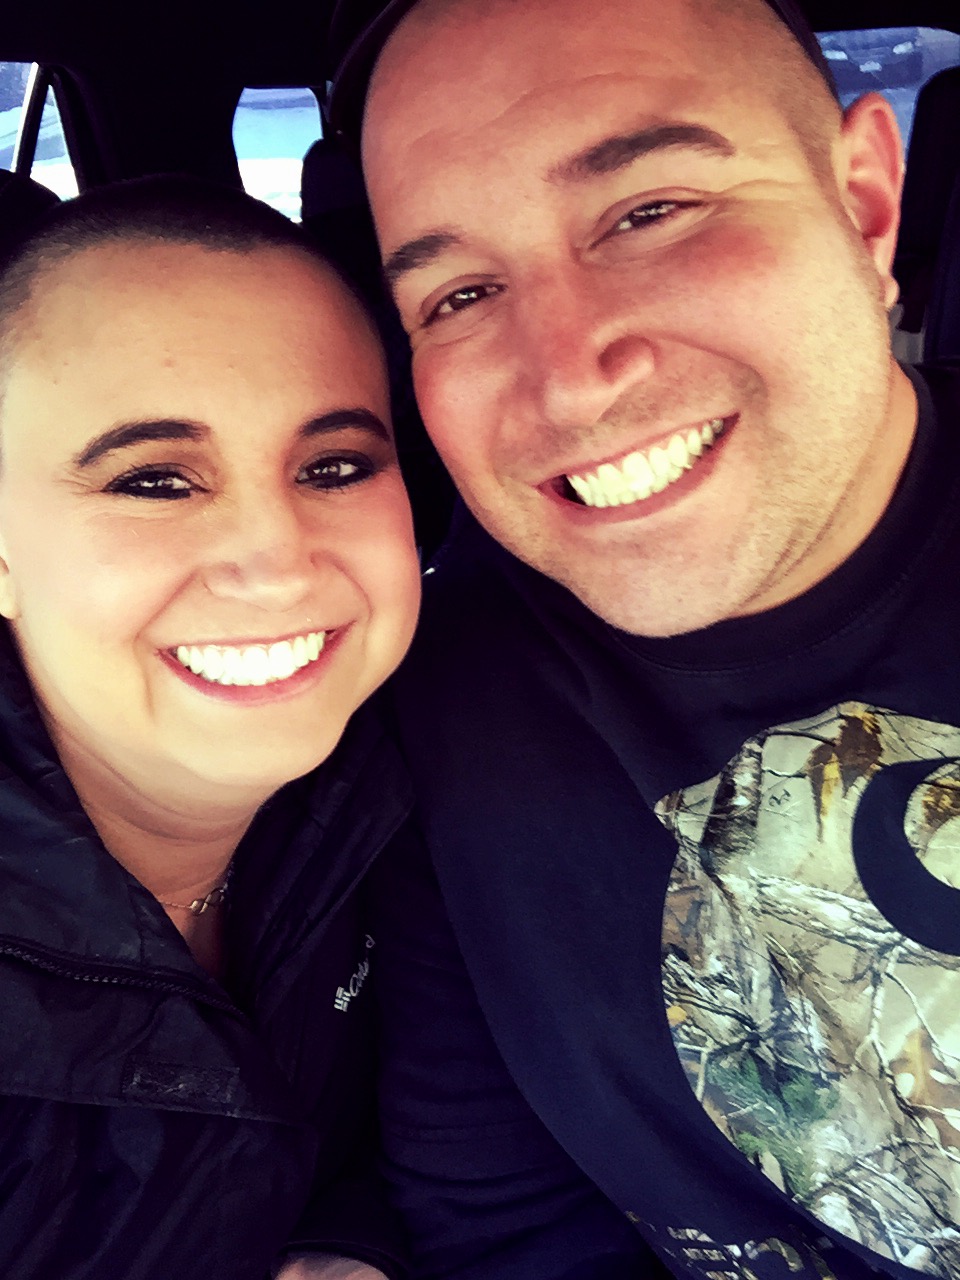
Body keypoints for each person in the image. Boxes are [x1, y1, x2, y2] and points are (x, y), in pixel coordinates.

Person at [326, 0, 960, 1276]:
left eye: (648, 213)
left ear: (866, 205)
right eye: (461, 293)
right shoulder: (437, 709)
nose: (569, 376)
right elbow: (507, 1225)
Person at [0, 175, 422, 1280]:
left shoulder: (422, 770)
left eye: (335, 466)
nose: (275, 563)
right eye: (154, 482)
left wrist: (352, 1241)